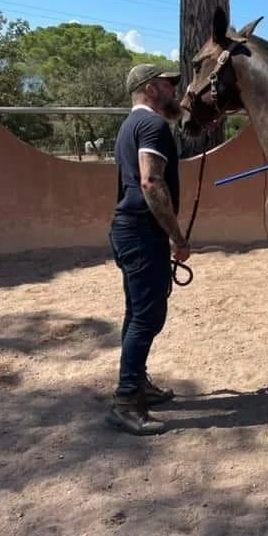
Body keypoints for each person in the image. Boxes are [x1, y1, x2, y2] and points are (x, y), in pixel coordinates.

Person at [107, 63, 190, 435]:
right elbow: (151, 181)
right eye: (168, 85)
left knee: (136, 312)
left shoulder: (129, 126)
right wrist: (176, 235)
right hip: (143, 232)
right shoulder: (152, 125)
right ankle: (126, 402)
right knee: (147, 317)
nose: (174, 90)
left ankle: (136, 384)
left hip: (129, 231)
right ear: (150, 88)